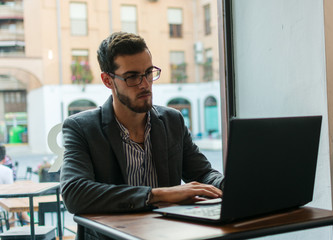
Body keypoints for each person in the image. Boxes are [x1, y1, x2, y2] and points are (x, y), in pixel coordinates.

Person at [60, 32, 224, 239]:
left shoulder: (172, 120)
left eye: (148, 73)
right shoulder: (81, 128)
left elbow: (202, 174)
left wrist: (230, 186)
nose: (145, 84)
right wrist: (156, 195)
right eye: (132, 77)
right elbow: (74, 193)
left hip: (167, 234)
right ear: (108, 80)